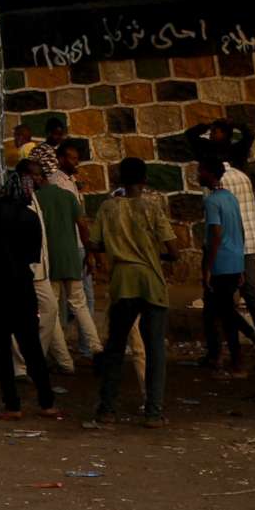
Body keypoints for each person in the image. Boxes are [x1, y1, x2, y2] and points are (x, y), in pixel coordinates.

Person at [88, 157, 175, 427]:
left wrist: (116, 248)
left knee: (116, 346)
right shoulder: (153, 208)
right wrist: (151, 251)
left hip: (122, 280)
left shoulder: (108, 208)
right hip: (150, 280)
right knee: (154, 349)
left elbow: (94, 242)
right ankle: (153, 411)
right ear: (144, 180)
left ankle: (107, 409)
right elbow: (174, 252)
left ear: (119, 180)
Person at [0, 172, 56, 418]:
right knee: (32, 346)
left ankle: (12, 405)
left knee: (1, 350)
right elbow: (31, 257)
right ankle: (47, 402)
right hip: (21, 288)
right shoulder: (29, 217)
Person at [32, 155, 96, 374]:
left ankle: (65, 361)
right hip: (71, 256)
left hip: (50, 261)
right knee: (80, 305)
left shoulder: (36, 199)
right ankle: (96, 348)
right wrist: (89, 253)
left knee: (53, 312)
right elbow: (83, 225)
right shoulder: (69, 196)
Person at [195, 159, 255, 373]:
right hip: (233, 261)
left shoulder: (212, 202)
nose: (197, 174)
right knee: (214, 312)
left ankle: (250, 348)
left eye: (200, 170)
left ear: (209, 174)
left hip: (220, 263)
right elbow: (240, 231)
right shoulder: (230, 198)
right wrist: (240, 265)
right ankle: (218, 356)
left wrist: (208, 269)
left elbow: (215, 234)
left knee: (225, 313)